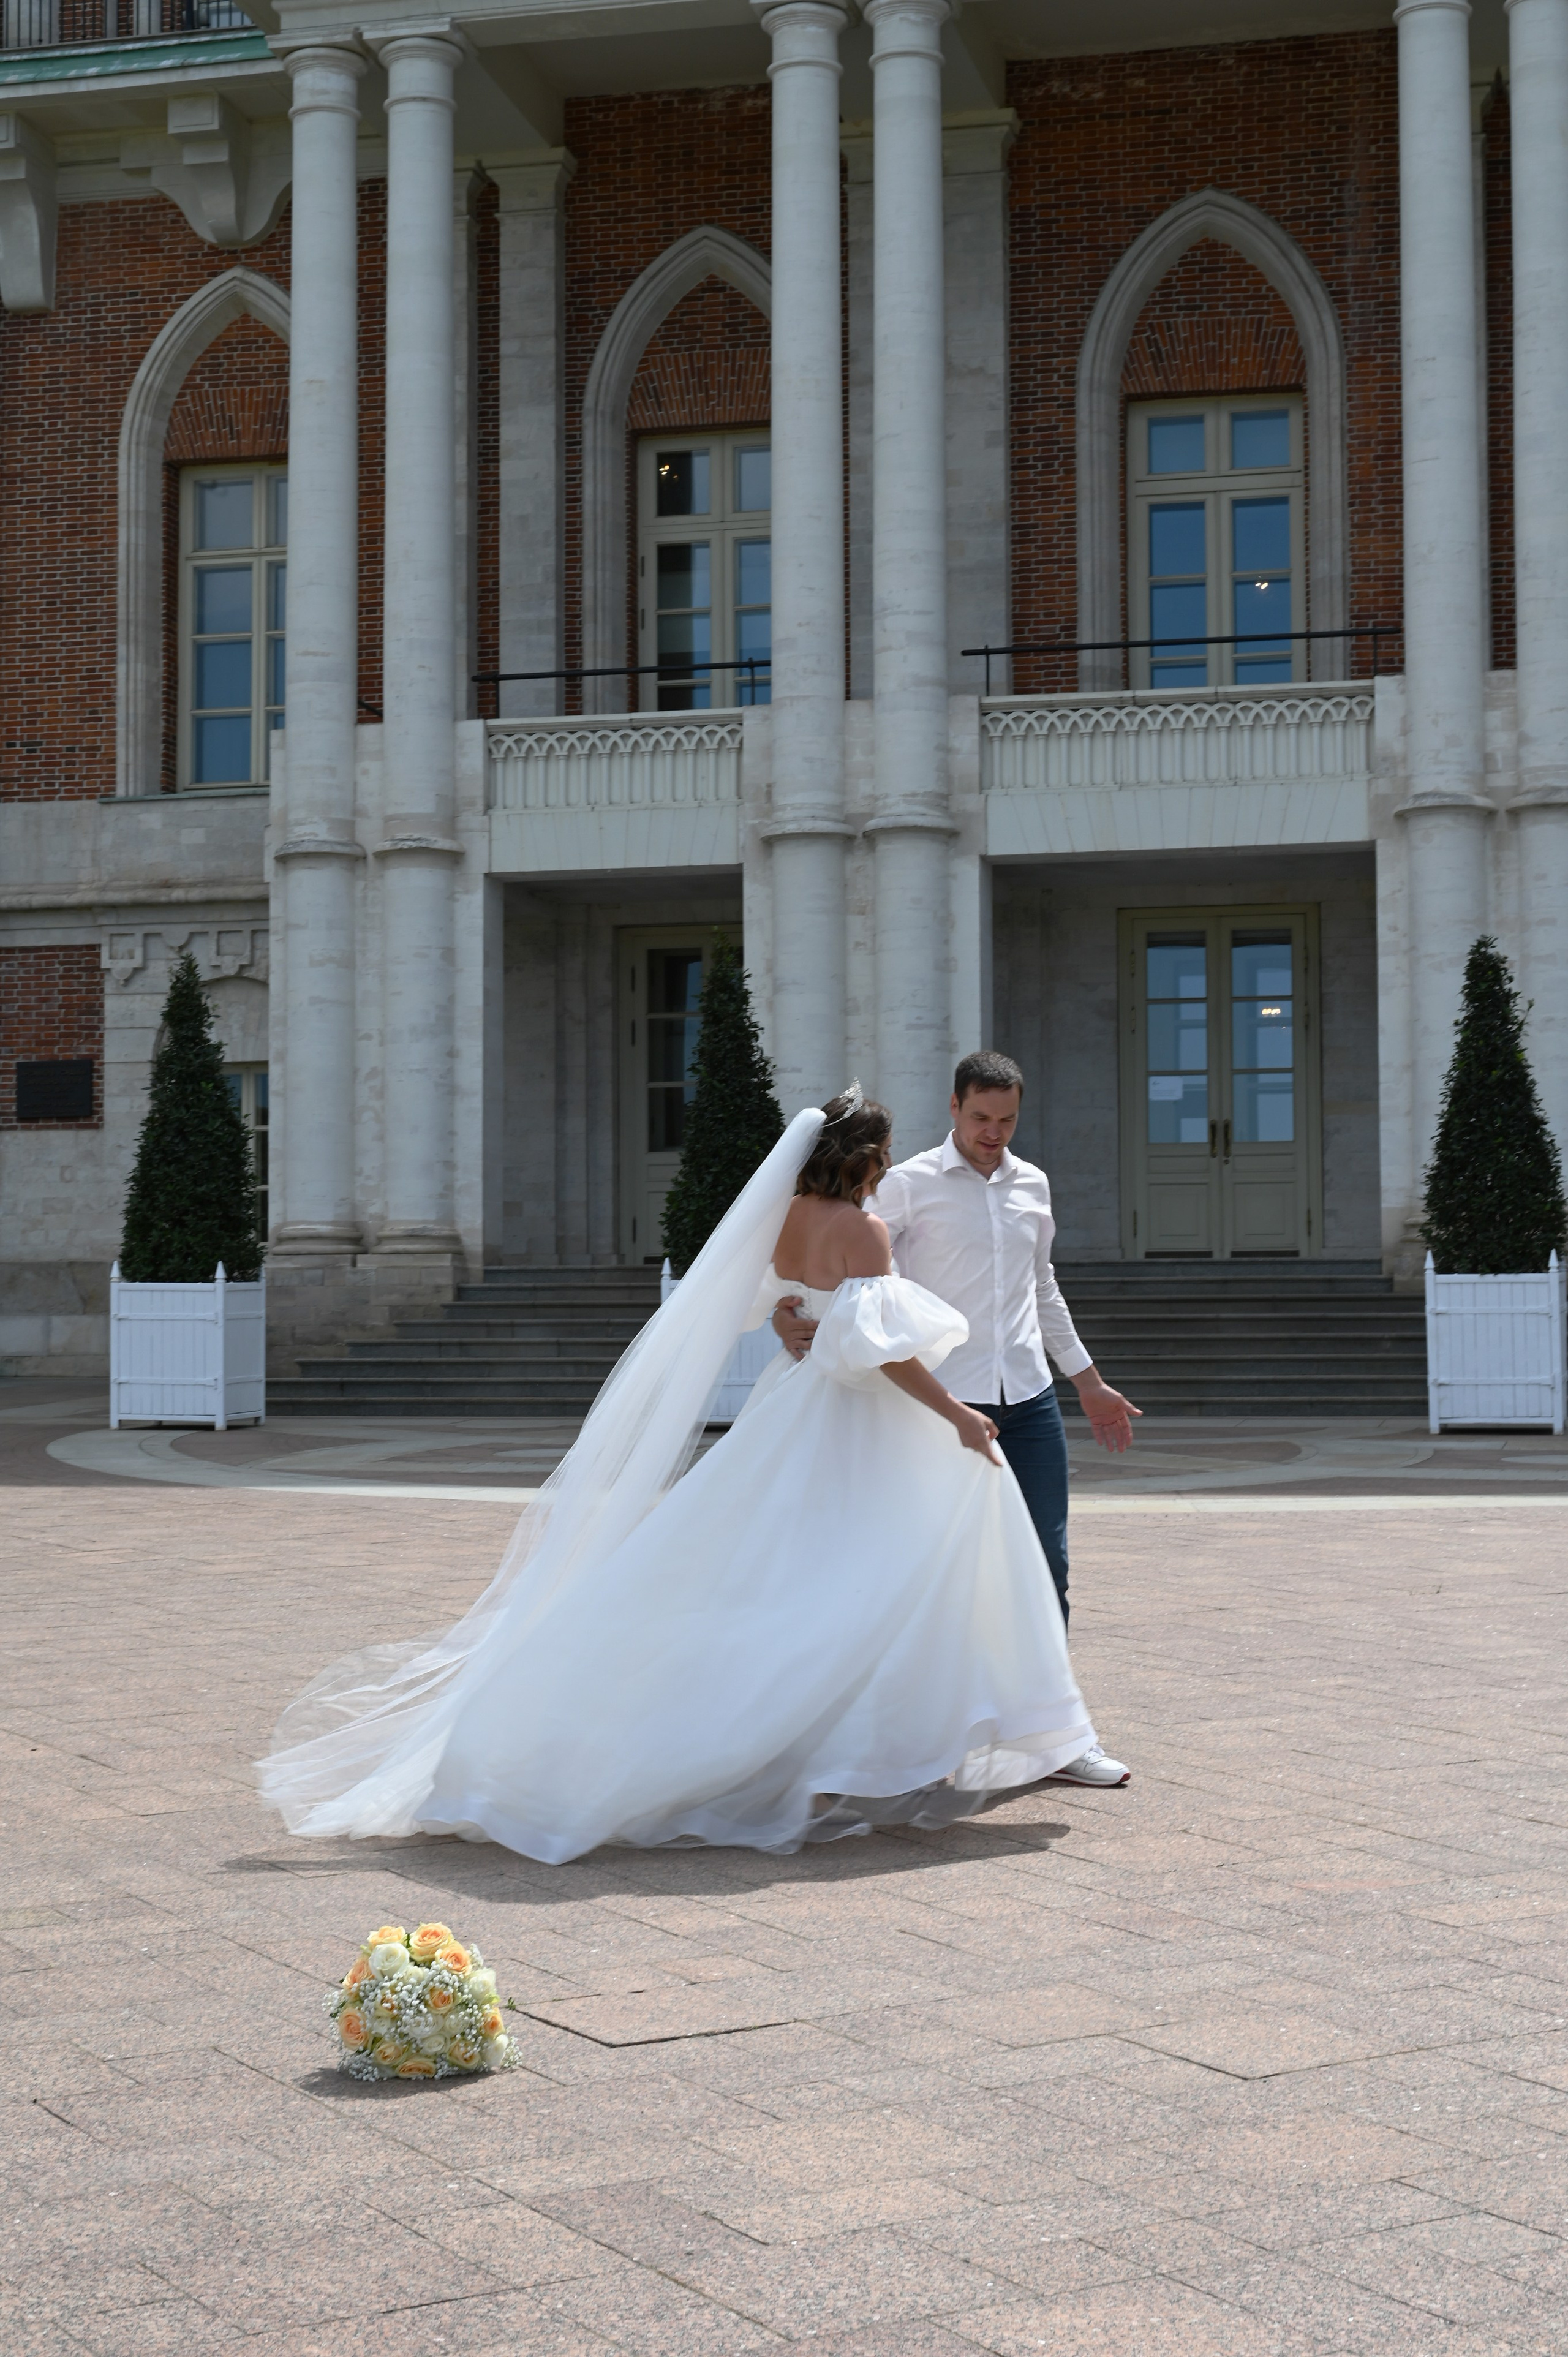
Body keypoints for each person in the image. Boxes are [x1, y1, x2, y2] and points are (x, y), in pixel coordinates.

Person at [259, 1091, 1106, 1864]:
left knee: (786, 1575)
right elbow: (877, 1350)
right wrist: (955, 1413)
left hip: (791, 1410)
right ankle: (888, 1737)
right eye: (882, 1153)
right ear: (865, 1158)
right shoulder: (863, 1230)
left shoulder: (785, 1218)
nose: (887, 1165)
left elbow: (785, 1304)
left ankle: (844, 1739)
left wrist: (791, 1318)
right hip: (856, 1421)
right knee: (887, 1571)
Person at [774, 1050, 1139, 1789]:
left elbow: (1043, 1288)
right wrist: (788, 1313)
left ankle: (1056, 1737)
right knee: (941, 1575)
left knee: (1046, 1565)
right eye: (980, 1117)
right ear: (953, 1107)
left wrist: (1088, 1381)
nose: (992, 1132)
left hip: (1028, 1398)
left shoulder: (1032, 1183)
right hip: (941, 1405)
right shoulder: (905, 1183)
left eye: (1006, 1120)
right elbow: (834, 1266)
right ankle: (928, 1732)